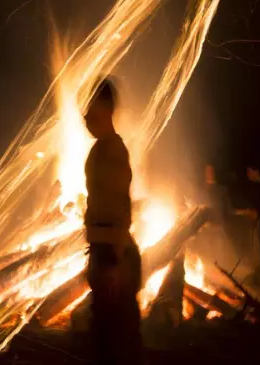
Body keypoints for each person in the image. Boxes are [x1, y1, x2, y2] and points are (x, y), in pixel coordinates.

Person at [83, 79, 141, 365]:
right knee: (105, 337)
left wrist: (118, 260)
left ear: (104, 108)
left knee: (116, 342)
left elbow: (120, 205)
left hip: (112, 255)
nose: (84, 117)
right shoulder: (99, 150)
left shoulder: (113, 150)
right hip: (102, 252)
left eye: (89, 109)